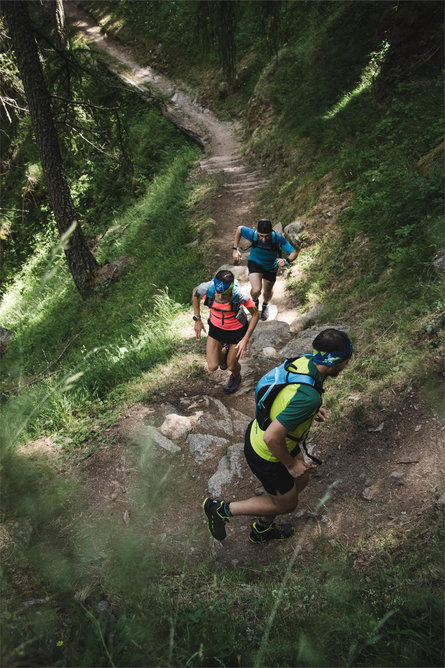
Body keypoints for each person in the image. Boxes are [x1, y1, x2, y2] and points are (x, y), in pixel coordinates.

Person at [203, 328, 353, 542]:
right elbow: (272, 438)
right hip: (268, 454)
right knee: (287, 504)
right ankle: (220, 510)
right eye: (346, 360)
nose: (347, 364)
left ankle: (263, 528)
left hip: (265, 434)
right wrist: (290, 465)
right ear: (334, 362)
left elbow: (287, 391)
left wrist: (308, 412)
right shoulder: (307, 397)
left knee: (301, 481)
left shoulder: (306, 362)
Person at [192, 269, 259, 394]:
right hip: (216, 329)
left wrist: (246, 338)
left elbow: (255, 314)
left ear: (231, 290)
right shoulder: (206, 288)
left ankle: (236, 376)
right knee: (212, 366)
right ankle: (226, 351)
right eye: (218, 293)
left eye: (225, 295)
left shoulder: (240, 296)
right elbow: (195, 293)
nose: (221, 297)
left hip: (237, 332)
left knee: (231, 365)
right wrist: (197, 319)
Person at [232, 219, 298, 321]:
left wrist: (286, 260)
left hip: (270, 267)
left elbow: (293, 252)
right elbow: (239, 229)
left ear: (271, 232)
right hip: (255, 263)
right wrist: (235, 249)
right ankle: (255, 301)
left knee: (267, 291)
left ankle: (265, 304)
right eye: (261, 236)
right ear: (257, 232)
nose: (263, 239)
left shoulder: (277, 239)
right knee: (256, 290)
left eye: (266, 236)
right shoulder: (252, 234)